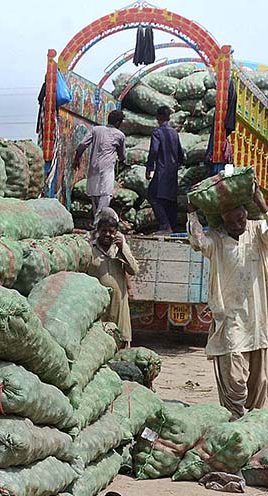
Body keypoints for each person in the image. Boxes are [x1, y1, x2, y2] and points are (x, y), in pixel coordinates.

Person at [187, 189, 268, 420]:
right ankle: (233, 420)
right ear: (223, 220)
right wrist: (192, 215)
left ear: (246, 215)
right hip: (230, 318)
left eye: (241, 219)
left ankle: (255, 423)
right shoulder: (216, 238)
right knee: (234, 378)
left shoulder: (258, 231)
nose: (237, 225)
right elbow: (197, 242)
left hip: (259, 318)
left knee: (260, 380)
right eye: (231, 222)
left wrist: (263, 207)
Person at [88, 207, 138, 347]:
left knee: (120, 342)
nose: (108, 234)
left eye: (111, 232)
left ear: (116, 233)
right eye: (104, 231)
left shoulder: (119, 249)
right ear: (98, 231)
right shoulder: (90, 249)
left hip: (118, 307)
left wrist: (122, 249)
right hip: (98, 308)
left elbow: (133, 270)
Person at [74, 110, 126, 223]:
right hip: (107, 170)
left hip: (93, 168)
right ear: (118, 122)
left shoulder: (96, 129)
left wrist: (76, 159)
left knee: (95, 195)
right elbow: (122, 156)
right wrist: (121, 160)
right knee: (106, 196)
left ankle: (97, 221)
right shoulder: (120, 135)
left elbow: (82, 145)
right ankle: (98, 222)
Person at [146, 106, 184, 233]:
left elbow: (154, 151)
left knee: (153, 196)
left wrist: (149, 168)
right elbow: (181, 154)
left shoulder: (157, 132)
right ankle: (173, 226)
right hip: (172, 172)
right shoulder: (174, 133)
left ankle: (165, 226)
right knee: (170, 199)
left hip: (162, 170)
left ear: (159, 117)